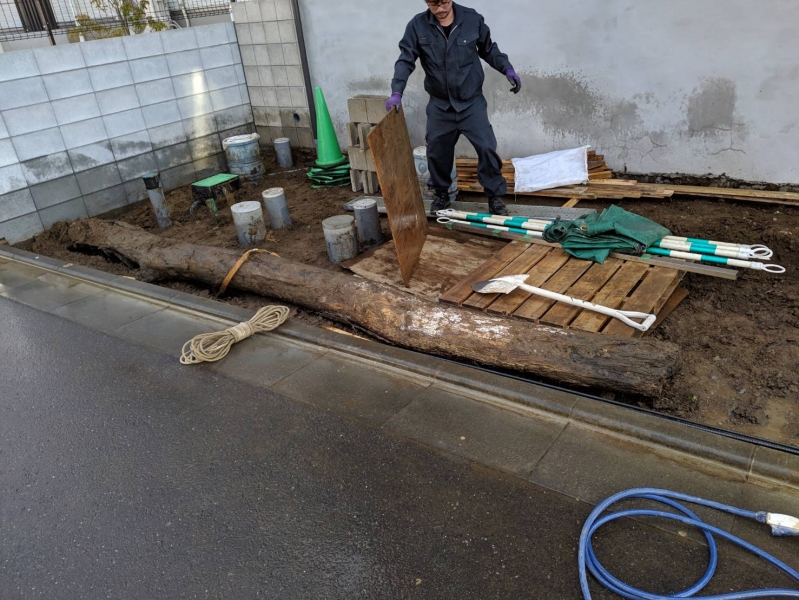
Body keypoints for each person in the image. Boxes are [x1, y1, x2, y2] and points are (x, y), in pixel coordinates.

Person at [386, 0, 521, 216]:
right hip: (441, 104)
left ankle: (494, 197)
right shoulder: (417, 26)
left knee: (487, 147)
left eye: (444, 2)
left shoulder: (471, 19)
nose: (440, 9)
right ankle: (441, 194)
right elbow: (405, 60)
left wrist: (507, 68)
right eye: (433, 4)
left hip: (471, 102)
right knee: (437, 151)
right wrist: (396, 91)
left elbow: (488, 49)